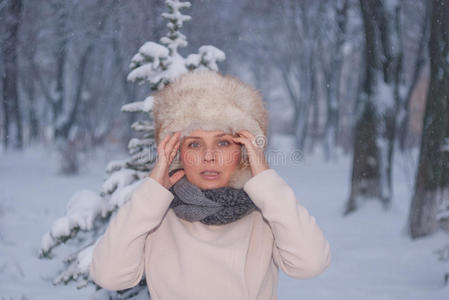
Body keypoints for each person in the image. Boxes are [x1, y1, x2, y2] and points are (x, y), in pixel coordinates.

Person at [89, 69, 331, 300]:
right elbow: (110, 276)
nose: (209, 156)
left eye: (223, 143)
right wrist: (151, 193)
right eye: (194, 144)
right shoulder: (156, 215)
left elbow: (310, 264)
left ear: (243, 152)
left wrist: (266, 181)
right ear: (177, 153)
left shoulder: (265, 213)